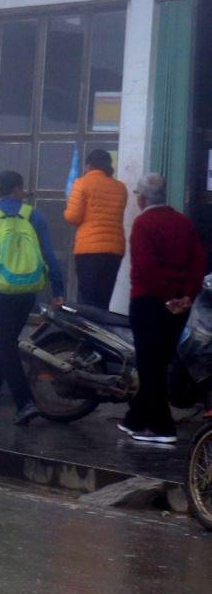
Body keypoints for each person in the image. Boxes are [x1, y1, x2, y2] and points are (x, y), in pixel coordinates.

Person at [0, 170, 66, 424]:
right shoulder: (34, 216)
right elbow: (49, 255)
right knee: (5, 343)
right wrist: (58, 289)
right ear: (17, 189)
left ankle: (25, 402)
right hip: (26, 291)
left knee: (5, 344)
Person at [118, 174, 207, 445]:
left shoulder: (144, 223)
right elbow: (199, 261)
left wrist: (167, 297)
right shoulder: (183, 222)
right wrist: (186, 296)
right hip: (178, 304)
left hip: (149, 301)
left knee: (149, 365)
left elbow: (146, 266)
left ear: (142, 198)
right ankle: (136, 417)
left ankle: (161, 427)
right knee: (160, 360)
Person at [64, 148, 128, 308]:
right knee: (104, 299)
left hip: (89, 250)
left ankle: (88, 332)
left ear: (89, 165)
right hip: (114, 249)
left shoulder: (81, 183)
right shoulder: (120, 188)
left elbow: (73, 217)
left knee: (89, 300)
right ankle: (102, 330)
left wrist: (67, 209)